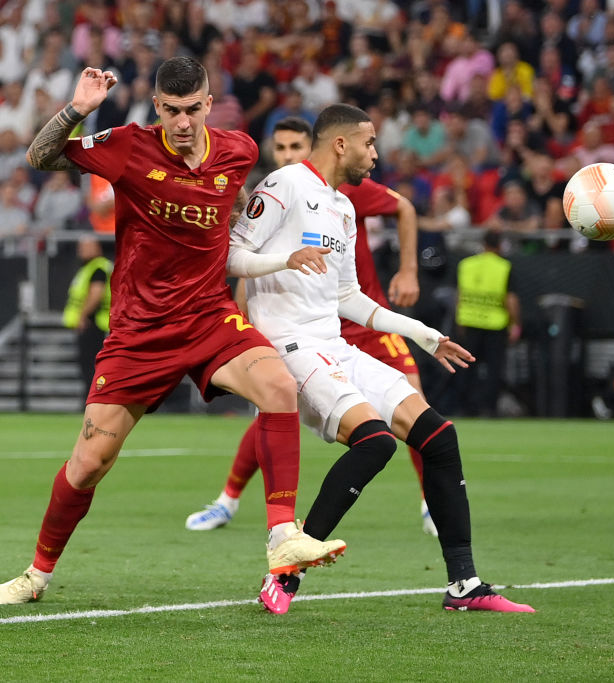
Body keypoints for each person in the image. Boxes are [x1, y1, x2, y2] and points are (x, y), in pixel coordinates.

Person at [0, 58, 345, 606]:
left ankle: (281, 536)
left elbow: (241, 213)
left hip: (206, 316)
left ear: (208, 102)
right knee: (88, 465)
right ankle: (35, 576)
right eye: (171, 110)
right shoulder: (128, 145)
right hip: (139, 332)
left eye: (192, 109)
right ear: (157, 106)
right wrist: (78, 109)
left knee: (279, 386)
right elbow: (39, 157)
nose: (181, 121)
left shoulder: (239, 150)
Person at [228, 104, 534, 614]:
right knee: (374, 443)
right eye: (369, 143)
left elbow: (348, 296)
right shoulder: (284, 186)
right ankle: (286, 573)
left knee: (438, 437)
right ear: (341, 144)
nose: (376, 153)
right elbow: (232, 257)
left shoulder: (344, 209)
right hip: (291, 348)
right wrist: (286, 258)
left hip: (336, 345)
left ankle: (464, 585)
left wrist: (423, 334)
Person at [185, 116, 438, 537]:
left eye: (295, 147)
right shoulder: (281, 189)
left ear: (322, 146)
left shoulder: (348, 189)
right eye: (280, 148)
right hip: (301, 329)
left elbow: (403, 207)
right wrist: (246, 317)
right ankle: (236, 505)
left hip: (362, 321)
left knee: (415, 404)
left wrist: (409, 271)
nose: (287, 155)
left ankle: (431, 502)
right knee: (276, 409)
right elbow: (241, 257)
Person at [453, 229, 521, 418]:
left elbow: (458, 294)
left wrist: (459, 318)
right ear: (499, 245)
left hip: (469, 321)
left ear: (483, 244)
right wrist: (515, 324)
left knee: (466, 368)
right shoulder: (504, 267)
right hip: (495, 324)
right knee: (494, 370)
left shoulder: (466, 264)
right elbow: (511, 299)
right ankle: (489, 409)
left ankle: (464, 408)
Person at [63, 235, 112, 401]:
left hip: (97, 323)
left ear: (96, 247)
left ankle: (95, 401)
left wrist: (82, 315)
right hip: (95, 323)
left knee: (93, 366)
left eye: (84, 247)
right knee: (90, 366)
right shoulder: (91, 267)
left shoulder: (97, 268)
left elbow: (96, 293)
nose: (80, 250)